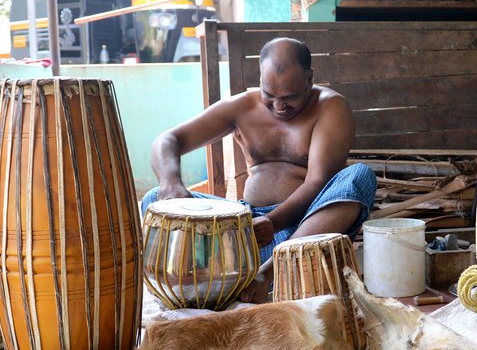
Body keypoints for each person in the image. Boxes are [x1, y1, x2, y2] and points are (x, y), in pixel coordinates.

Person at [143, 37, 376, 303]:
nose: (279, 106)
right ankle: (214, 279)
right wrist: (170, 183)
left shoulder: (330, 106)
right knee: (154, 200)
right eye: (270, 96)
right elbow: (167, 140)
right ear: (260, 79)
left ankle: (269, 274)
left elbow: (317, 181)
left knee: (360, 176)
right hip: (246, 235)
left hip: (304, 234)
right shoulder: (242, 106)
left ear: (309, 79)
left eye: (290, 98)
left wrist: (274, 222)